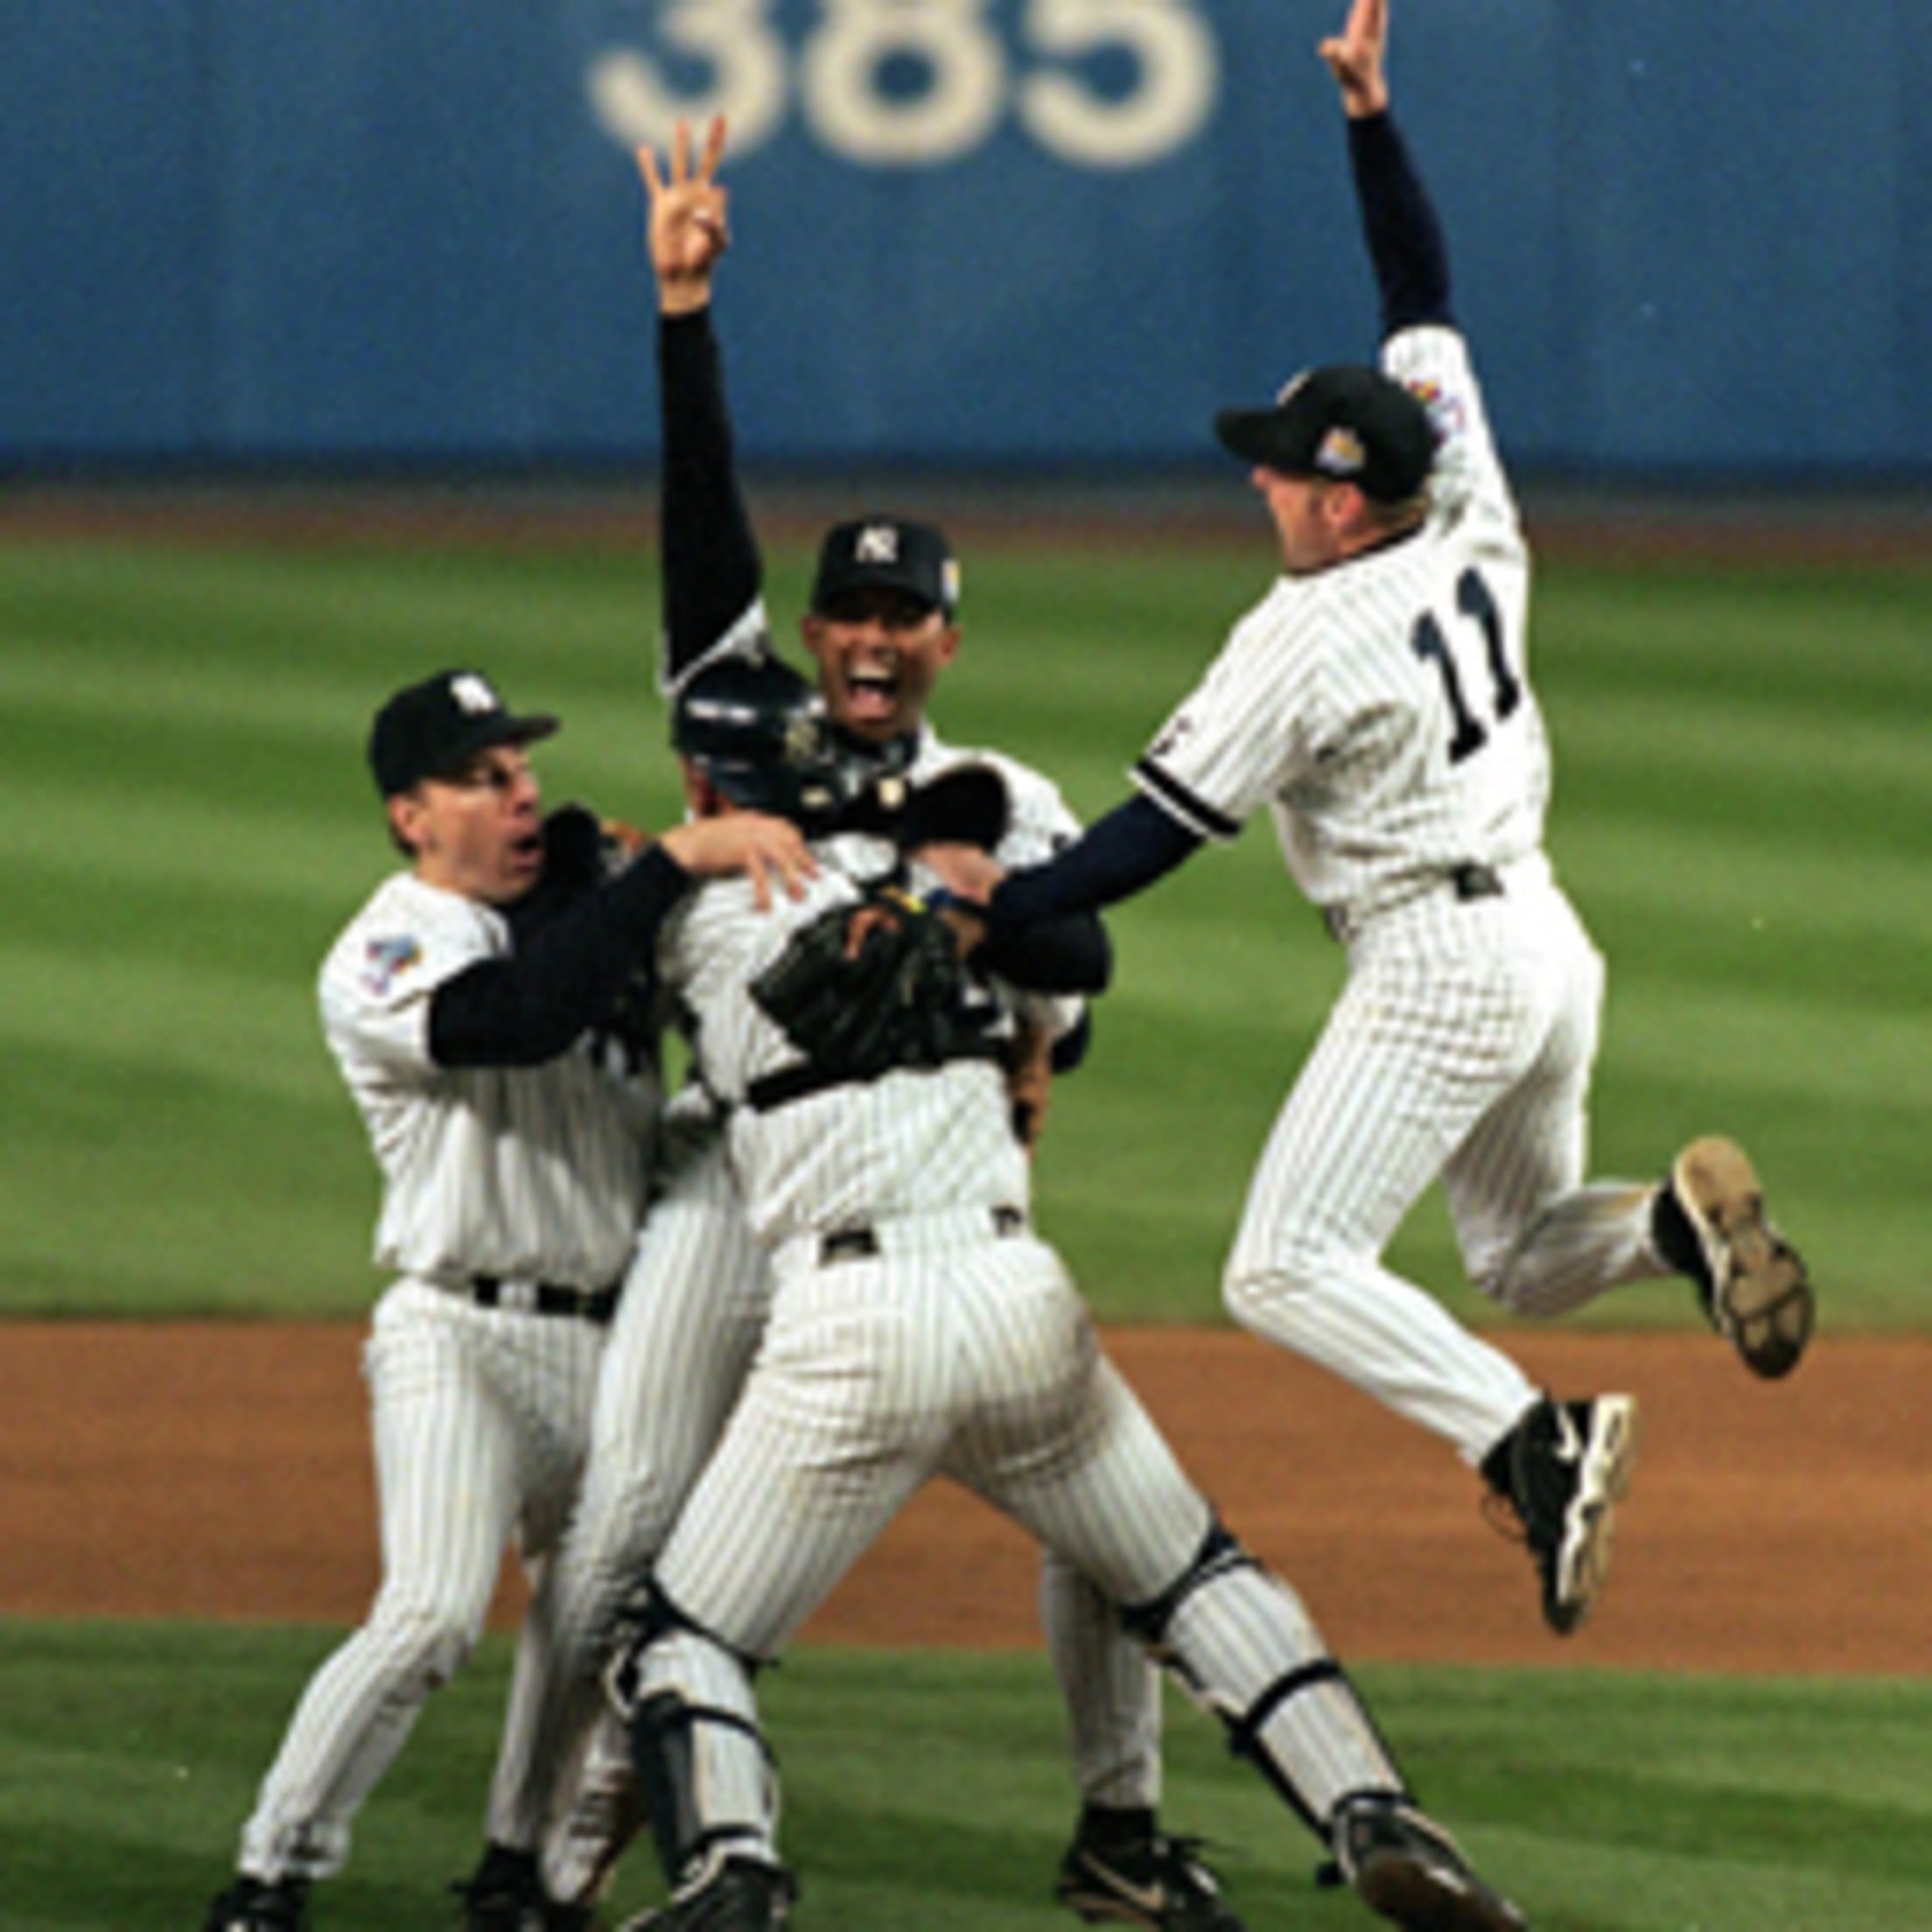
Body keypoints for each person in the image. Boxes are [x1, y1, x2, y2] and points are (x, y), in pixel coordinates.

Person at [920, 0, 1815, 1641]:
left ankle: (1534, 1442)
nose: (1258, 484)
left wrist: (992, 905)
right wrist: (1367, 118)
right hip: (1548, 945)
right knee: (1527, 1258)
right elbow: (1424, 292)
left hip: (1435, 969)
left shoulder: (1303, 638)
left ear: (1342, 498)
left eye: (1280, 469)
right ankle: (1679, 1229)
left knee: (1278, 1267)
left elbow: (1149, 837)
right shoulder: (1466, 493)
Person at [459, 118, 1236, 1932]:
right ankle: (543, 1863)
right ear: (810, 630)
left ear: (948, 639)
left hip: (924, 1183)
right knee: (634, 1514)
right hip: (739, 1180)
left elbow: (1087, 978)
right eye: (850, 613)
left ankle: (1119, 1829)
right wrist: (682, 312)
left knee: (1086, 1508)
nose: (873, 640)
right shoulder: (739, 721)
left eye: (908, 616)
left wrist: (1016, 1006)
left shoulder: (1003, 792)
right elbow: (697, 514)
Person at [592, 648, 1532, 1932]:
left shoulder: (687, 913)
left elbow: (533, 1003)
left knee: (682, 1646)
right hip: (1019, 1301)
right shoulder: (948, 892)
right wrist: (966, 892)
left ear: (702, 780)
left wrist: (648, 863)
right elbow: (1074, 984)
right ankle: (1370, 1806)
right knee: (1197, 1582)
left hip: (849, 1328)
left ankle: (731, 1874)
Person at [201, 668, 811, 1932]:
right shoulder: (387, 946)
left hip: (617, 1346)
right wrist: (664, 864)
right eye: (483, 778)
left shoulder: (583, 911)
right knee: (430, 1616)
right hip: (458, 1338)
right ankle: (272, 1876)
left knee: (588, 1634)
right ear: (410, 816)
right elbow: (515, 1019)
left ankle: (517, 1877)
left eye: (524, 770)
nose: (521, 792)